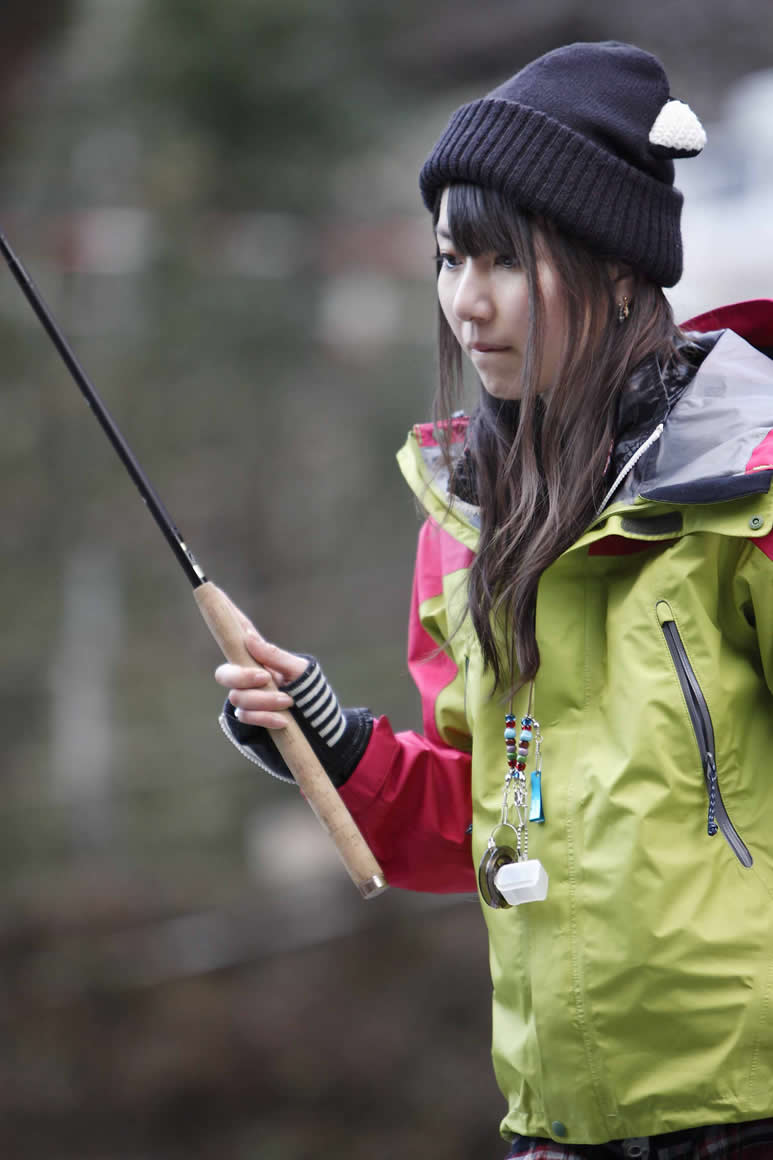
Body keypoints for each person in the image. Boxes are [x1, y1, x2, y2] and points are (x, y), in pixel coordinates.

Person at [214, 41, 773, 1160]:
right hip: (550, 1123)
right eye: (446, 258)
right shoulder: (461, 528)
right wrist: (327, 738)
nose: (465, 303)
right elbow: (485, 814)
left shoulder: (746, 492)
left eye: (503, 262)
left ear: (620, 267)